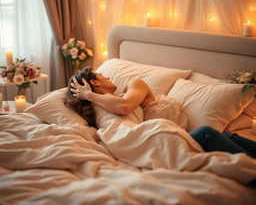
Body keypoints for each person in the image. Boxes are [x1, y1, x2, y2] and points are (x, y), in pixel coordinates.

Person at [66, 66, 256, 159]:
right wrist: (88, 96)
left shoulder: (133, 87)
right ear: (95, 83)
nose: (107, 75)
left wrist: (89, 95)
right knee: (207, 133)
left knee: (227, 136)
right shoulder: (102, 107)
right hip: (171, 139)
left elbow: (123, 105)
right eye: (102, 75)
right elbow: (122, 108)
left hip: (175, 137)